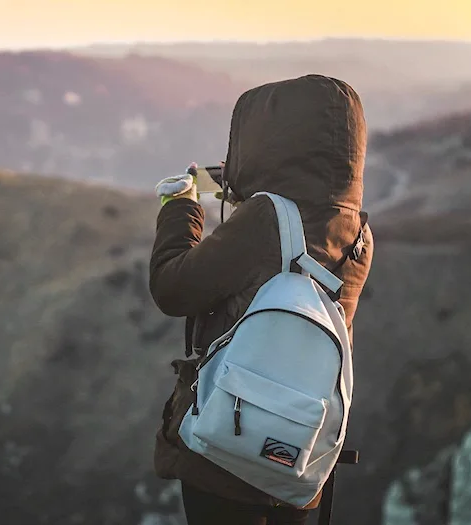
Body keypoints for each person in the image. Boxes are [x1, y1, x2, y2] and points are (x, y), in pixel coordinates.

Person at [148, 74, 375, 525]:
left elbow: (172, 288)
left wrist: (180, 207)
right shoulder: (359, 236)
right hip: (296, 454)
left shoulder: (265, 217)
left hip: (227, 446)